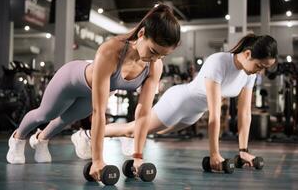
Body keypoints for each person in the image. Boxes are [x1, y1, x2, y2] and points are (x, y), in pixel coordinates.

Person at [6, 4, 180, 180]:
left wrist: (138, 157)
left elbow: (143, 115)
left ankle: (41, 139)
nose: (155, 59)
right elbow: (99, 113)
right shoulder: (111, 50)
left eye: (161, 56)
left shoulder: (154, 66)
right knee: (45, 114)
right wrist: (98, 160)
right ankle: (17, 138)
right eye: (152, 51)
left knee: (65, 119)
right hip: (70, 80)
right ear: (141, 34)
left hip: (91, 92)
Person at [74, 34, 277, 171]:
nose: (259, 71)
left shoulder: (248, 73)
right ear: (248, 54)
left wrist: (243, 152)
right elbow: (215, 115)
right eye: (259, 65)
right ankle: (86, 134)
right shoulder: (219, 62)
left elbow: (244, 114)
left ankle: (127, 137)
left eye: (264, 68)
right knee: (134, 129)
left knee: (146, 131)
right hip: (178, 102)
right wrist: (214, 154)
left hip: (194, 111)